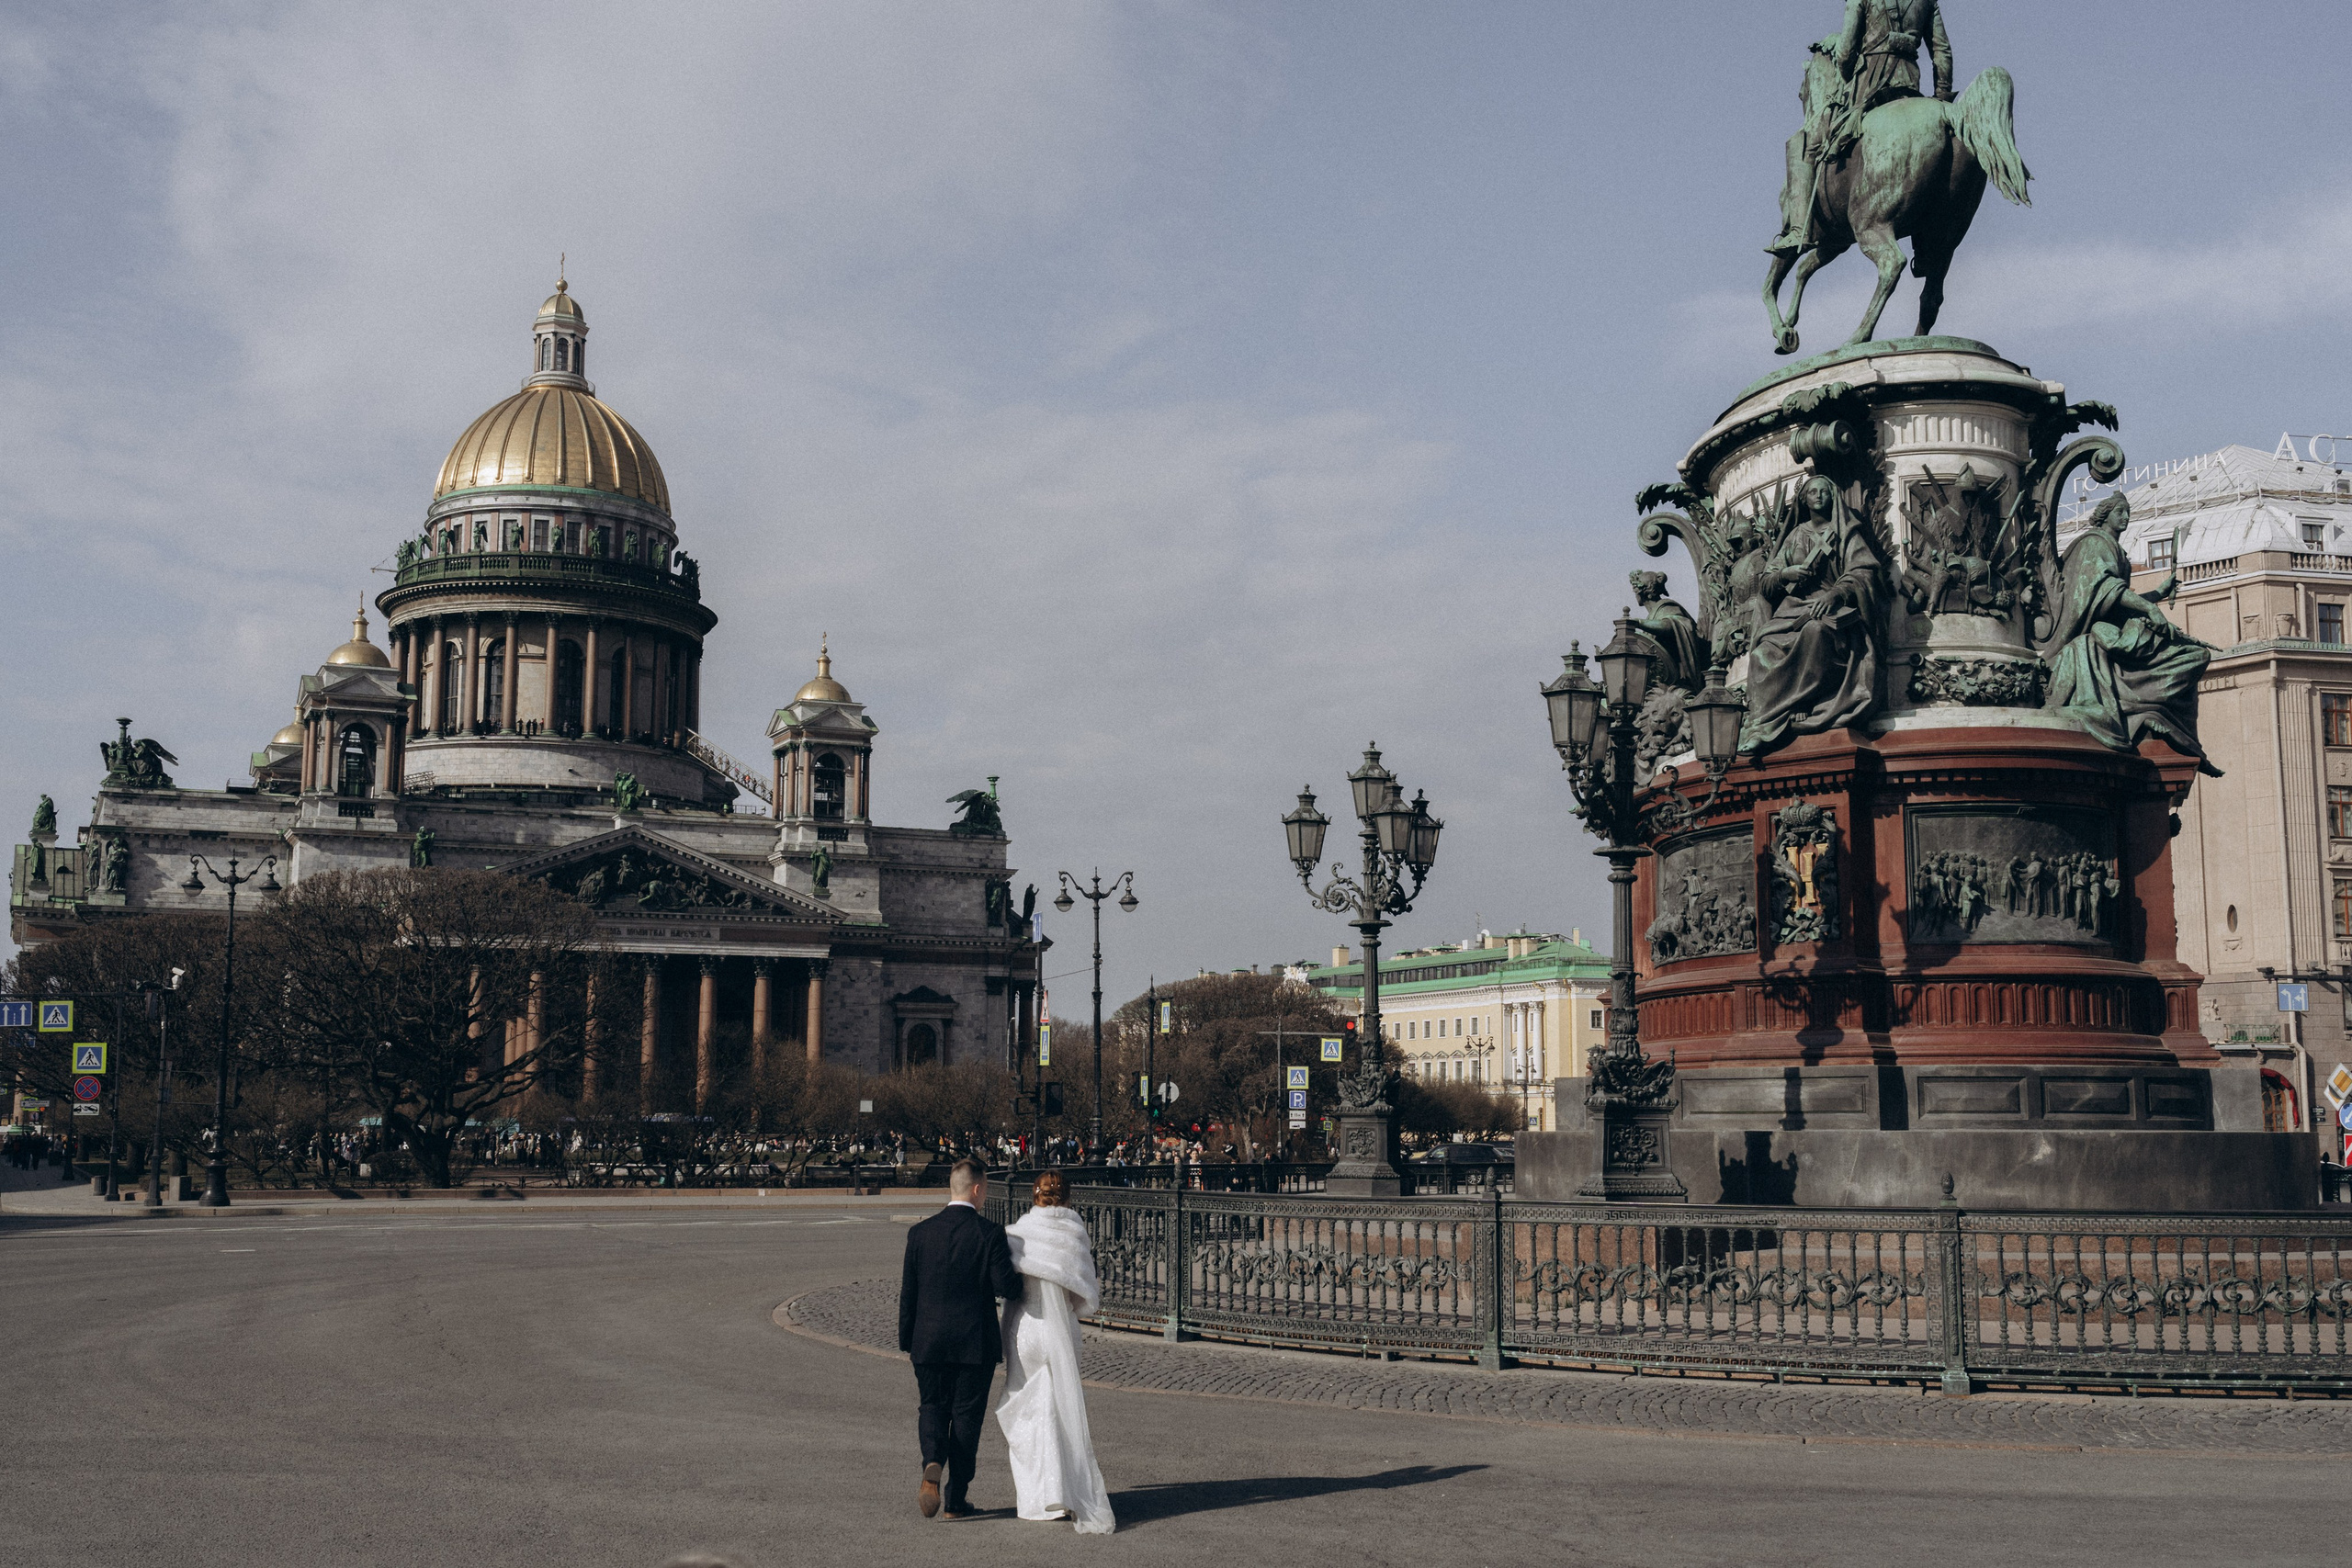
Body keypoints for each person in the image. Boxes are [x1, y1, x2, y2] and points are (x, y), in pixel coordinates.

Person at [898, 1156, 1020, 1520]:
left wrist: (909, 1339)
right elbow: (1007, 1287)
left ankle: (932, 1459)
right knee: (967, 1420)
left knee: (932, 1406)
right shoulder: (989, 1233)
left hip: (928, 1340)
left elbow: (909, 1293)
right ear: (978, 1189)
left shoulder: (920, 1233)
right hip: (973, 1344)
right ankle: (955, 1499)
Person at [995, 1172, 1114, 1533]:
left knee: (1028, 1409)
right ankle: (1063, 1492)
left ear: (1035, 1195)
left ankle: (1036, 1498)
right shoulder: (1075, 1233)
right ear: (1066, 1198)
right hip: (1060, 1328)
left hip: (1027, 1327)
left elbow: (1007, 1284)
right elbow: (1084, 1296)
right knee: (1060, 1409)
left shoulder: (1018, 1232)